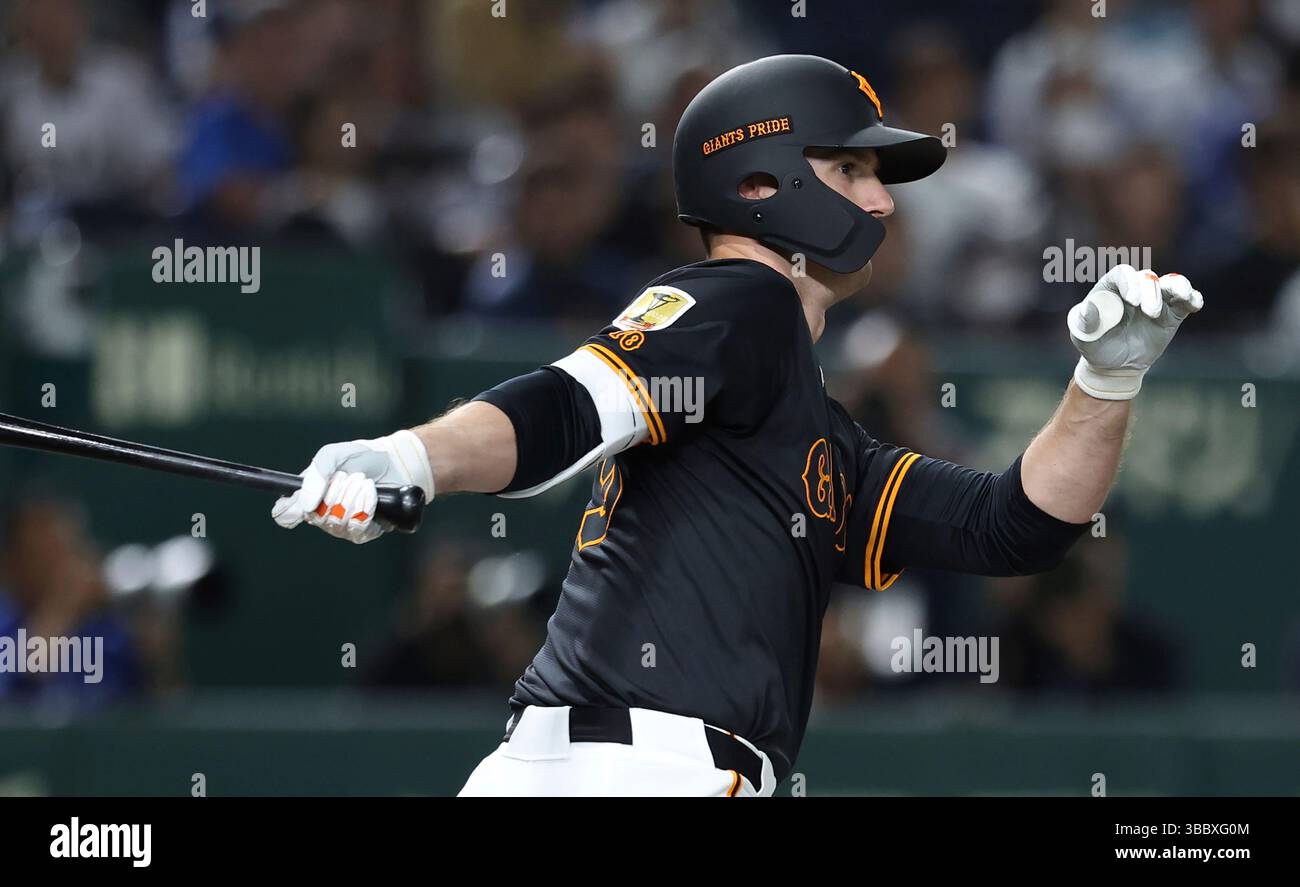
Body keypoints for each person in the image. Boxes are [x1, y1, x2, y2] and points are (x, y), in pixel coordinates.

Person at [271, 55, 1204, 797]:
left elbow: (1020, 525)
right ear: (761, 181)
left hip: (583, 765)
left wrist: (1105, 382)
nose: (880, 200)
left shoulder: (813, 429)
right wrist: (411, 456)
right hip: (645, 771)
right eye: (850, 168)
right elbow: (563, 406)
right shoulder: (741, 301)